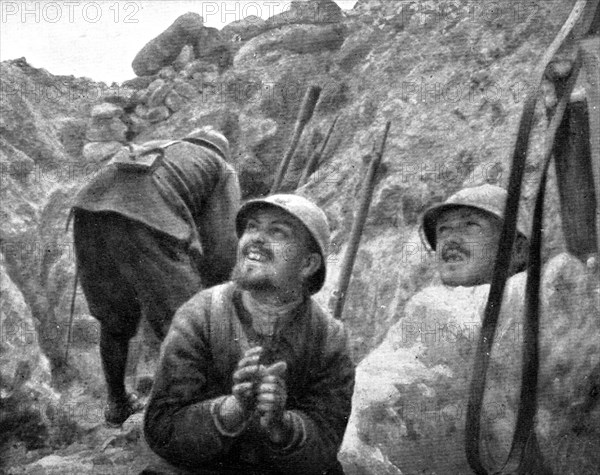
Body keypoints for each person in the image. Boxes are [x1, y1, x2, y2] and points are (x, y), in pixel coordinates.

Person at [339, 184, 600, 474]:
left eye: (470, 225)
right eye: (443, 230)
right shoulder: (426, 305)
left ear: (517, 249)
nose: (451, 238)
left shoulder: (524, 296)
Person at [143, 194, 355, 475]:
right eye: (252, 227)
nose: (256, 238)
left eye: (277, 232)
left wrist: (283, 426)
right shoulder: (201, 314)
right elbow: (161, 428)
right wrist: (233, 409)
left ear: (308, 265)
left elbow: (326, 442)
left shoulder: (329, 338)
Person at [71, 127, 240, 427]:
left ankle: (117, 402)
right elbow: (223, 246)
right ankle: (191, 412)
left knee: (113, 320)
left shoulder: (164, 148)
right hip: (145, 214)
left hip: (89, 210)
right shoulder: (220, 167)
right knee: (189, 322)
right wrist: (213, 294)